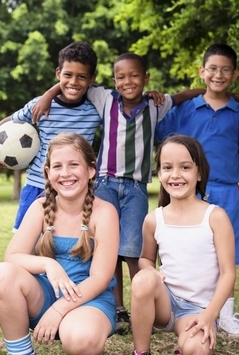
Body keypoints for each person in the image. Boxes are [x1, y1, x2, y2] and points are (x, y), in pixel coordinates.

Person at [32, 52, 205, 333]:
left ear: (146, 78)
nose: (128, 82)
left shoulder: (155, 105)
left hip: (136, 187)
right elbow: (73, 82)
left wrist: (219, 93)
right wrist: (47, 96)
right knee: (107, 248)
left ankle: (142, 304)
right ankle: (117, 306)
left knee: (133, 249)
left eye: (135, 76)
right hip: (105, 182)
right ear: (113, 80)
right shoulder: (105, 98)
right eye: (121, 77)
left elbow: (184, 95)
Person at [0, 132, 119, 355]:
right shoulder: (40, 207)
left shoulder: (104, 213)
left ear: (90, 169)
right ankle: (21, 352)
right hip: (45, 294)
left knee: (82, 340)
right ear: (48, 173)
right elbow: (12, 256)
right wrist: (49, 265)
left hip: (89, 300)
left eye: (74, 164)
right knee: (2, 274)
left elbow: (100, 278)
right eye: (57, 166)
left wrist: (59, 309)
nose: (65, 173)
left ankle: (78, 328)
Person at [156, 43, 239, 336]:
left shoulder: (237, 111)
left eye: (226, 69)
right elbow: (163, 138)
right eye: (213, 68)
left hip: (229, 189)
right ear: (202, 72)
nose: (218, 74)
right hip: (190, 187)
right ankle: (177, 304)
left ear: (235, 74)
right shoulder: (187, 109)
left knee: (229, 252)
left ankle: (224, 314)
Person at [0, 41, 102, 233]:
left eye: (81, 77)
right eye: (68, 75)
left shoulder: (96, 109)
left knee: (66, 241)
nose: (73, 82)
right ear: (58, 74)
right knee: (27, 242)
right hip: (38, 185)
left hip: (75, 189)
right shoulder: (41, 105)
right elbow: (12, 119)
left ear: (92, 79)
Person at [130, 135, 235, 355]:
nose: (175, 175)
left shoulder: (215, 217)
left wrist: (209, 315)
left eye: (185, 167)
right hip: (164, 304)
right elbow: (146, 259)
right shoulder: (154, 219)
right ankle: (141, 352)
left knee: (197, 349)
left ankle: (186, 346)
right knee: (142, 280)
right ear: (159, 174)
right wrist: (150, 271)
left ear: (199, 173)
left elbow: (228, 274)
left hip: (198, 310)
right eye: (167, 167)